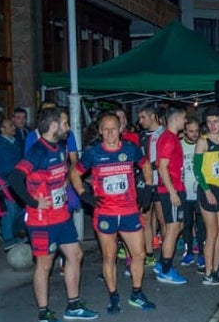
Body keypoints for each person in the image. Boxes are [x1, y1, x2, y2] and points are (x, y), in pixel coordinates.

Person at [9, 107, 99, 322]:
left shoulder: (60, 146)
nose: (68, 127)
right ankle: (44, 312)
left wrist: (66, 186)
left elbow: (62, 171)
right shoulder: (38, 151)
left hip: (61, 215)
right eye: (65, 123)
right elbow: (15, 177)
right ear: (53, 125)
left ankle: (73, 305)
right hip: (42, 221)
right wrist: (33, 201)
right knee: (45, 265)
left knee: (76, 254)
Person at [70, 112, 156, 313]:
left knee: (140, 254)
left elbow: (145, 165)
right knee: (109, 257)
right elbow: (75, 172)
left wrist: (148, 188)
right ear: (100, 131)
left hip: (129, 211)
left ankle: (136, 293)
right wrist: (84, 194)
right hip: (105, 212)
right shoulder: (93, 153)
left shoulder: (129, 149)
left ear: (120, 130)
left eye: (113, 128)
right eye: (105, 129)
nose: (109, 133)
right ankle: (113, 296)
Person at [194, 107, 219, 285]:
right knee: (212, 232)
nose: (213, 125)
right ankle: (208, 272)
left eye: (216, 121)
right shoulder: (203, 142)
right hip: (207, 189)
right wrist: (207, 191)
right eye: (209, 122)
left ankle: (216, 269)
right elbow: (197, 170)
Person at [155, 104, 188, 284]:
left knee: (176, 227)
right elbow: (162, 167)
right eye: (183, 118)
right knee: (173, 228)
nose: (185, 121)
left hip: (175, 187)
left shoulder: (171, 137)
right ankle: (166, 270)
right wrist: (172, 192)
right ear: (175, 119)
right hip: (171, 189)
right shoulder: (168, 139)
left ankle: (162, 264)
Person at [137, 104, 166, 267]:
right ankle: (149, 254)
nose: (140, 121)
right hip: (146, 183)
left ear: (153, 117)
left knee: (163, 221)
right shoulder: (142, 135)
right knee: (145, 219)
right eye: (140, 118)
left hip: (161, 183)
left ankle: (165, 255)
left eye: (143, 117)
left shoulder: (164, 134)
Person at [179, 117, 205, 268]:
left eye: (197, 131)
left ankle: (202, 253)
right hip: (185, 191)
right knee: (187, 224)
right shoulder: (179, 145)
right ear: (184, 131)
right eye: (191, 131)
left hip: (200, 192)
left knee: (201, 225)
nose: (194, 134)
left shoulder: (202, 144)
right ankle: (188, 251)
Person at [0, 114, 25, 251]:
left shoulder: (15, 141)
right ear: (2, 129)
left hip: (18, 180)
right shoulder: (0, 144)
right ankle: (8, 239)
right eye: (10, 126)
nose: (14, 127)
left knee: (19, 209)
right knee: (9, 210)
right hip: (4, 182)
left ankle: (15, 233)